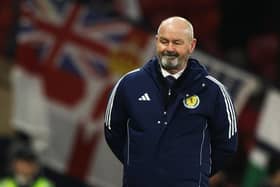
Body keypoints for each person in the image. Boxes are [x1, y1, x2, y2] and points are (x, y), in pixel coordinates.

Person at [104, 16, 238, 187]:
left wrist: (195, 172)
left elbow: (227, 144)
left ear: (192, 45)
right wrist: (138, 164)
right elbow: (112, 131)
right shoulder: (129, 84)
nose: (170, 48)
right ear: (156, 41)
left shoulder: (214, 91)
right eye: (164, 41)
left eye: (177, 42)